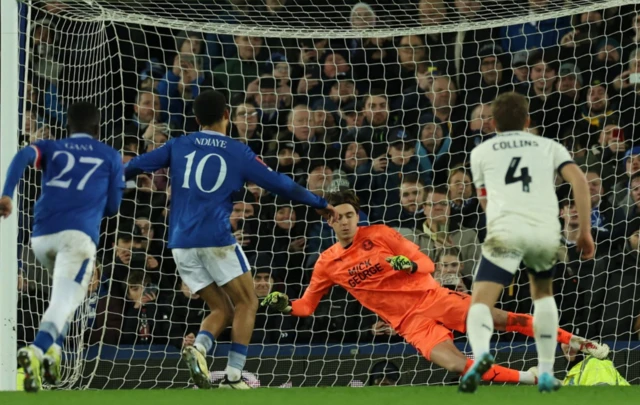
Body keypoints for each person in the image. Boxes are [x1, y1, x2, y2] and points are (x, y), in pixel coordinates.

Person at [261, 190, 608, 389]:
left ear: (357, 215)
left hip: (434, 298)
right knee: (459, 367)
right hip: (409, 324)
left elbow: (427, 265)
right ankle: (530, 378)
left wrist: (407, 265)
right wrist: (284, 306)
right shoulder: (326, 263)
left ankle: (577, 341)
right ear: (329, 220)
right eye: (337, 216)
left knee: (506, 319)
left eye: (350, 214)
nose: (345, 221)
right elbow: (306, 306)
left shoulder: (380, 234)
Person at [123, 90, 337, 389]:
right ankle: (235, 375)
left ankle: (198, 349)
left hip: (180, 243)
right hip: (216, 239)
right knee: (249, 300)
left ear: (196, 119)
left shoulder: (179, 144)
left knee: (222, 308)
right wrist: (318, 202)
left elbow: (135, 165)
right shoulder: (238, 151)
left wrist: (111, 178)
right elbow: (281, 184)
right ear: (227, 115)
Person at [462, 92, 598, 393]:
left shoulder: (480, 152)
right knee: (543, 297)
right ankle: (547, 370)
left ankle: (482, 355)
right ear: (527, 120)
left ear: (493, 123)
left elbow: (484, 200)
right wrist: (585, 230)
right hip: (542, 230)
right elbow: (578, 181)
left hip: (505, 229)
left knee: (480, 304)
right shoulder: (549, 146)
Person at [0, 102, 124, 392]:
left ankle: (54, 354)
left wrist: (7, 195)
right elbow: (113, 206)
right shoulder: (109, 155)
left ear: (68, 127)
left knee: (64, 295)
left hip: (42, 238)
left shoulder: (52, 146)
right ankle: (36, 352)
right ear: (97, 128)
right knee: (65, 301)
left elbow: (23, 155)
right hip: (77, 237)